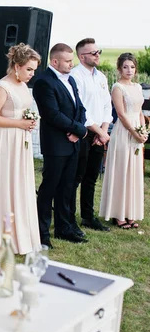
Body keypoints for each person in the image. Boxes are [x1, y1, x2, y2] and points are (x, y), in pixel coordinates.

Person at [0, 43, 42, 255]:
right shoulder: (2, 87)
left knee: (20, 184)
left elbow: (21, 110)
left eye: (34, 70)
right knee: (6, 185)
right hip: (5, 141)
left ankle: (21, 234)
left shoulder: (23, 85)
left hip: (20, 141)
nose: (32, 74)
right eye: (29, 69)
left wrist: (29, 121)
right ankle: (1, 237)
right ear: (16, 66)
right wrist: (20, 124)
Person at [32, 43, 88, 249]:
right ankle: (42, 234)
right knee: (49, 189)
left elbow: (79, 108)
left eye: (72, 60)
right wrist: (80, 131)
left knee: (67, 189)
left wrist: (78, 128)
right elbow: (52, 114)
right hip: (56, 146)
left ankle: (65, 228)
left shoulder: (71, 80)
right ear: (55, 61)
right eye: (67, 61)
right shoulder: (43, 82)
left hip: (73, 144)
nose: (72, 64)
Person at [99, 53, 146, 228]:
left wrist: (143, 130)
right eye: (125, 67)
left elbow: (140, 112)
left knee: (133, 171)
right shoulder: (117, 87)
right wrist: (134, 132)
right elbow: (121, 114)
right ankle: (118, 215)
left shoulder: (138, 87)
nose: (129, 70)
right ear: (119, 68)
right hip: (124, 132)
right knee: (121, 171)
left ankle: (130, 213)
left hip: (136, 132)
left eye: (132, 67)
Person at [69, 38, 111, 232]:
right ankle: (69, 217)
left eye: (98, 51)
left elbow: (106, 106)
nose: (97, 55)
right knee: (76, 177)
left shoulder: (101, 77)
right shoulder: (75, 76)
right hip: (84, 133)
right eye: (93, 53)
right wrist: (99, 131)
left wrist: (104, 129)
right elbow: (80, 109)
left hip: (99, 133)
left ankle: (88, 216)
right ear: (81, 56)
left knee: (92, 177)